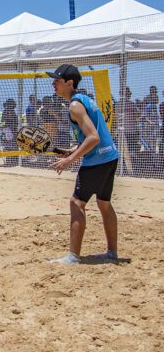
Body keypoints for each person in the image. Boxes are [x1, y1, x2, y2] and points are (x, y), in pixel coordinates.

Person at [47, 64, 120, 265]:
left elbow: (93, 138)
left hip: (97, 159)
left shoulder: (75, 105)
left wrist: (70, 160)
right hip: (110, 155)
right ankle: (112, 253)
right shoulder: (85, 99)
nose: (53, 84)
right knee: (104, 203)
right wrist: (72, 150)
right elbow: (91, 135)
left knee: (76, 203)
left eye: (57, 81)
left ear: (70, 83)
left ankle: (73, 257)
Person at [1, 99, 19, 166]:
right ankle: (9, 162)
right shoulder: (6, 112)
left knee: (13, 147)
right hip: (8, 131)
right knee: (8, 147)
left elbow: (16, 122)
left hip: (12, 131)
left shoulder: (12, 112)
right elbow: (3, 121)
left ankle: (13, 161)